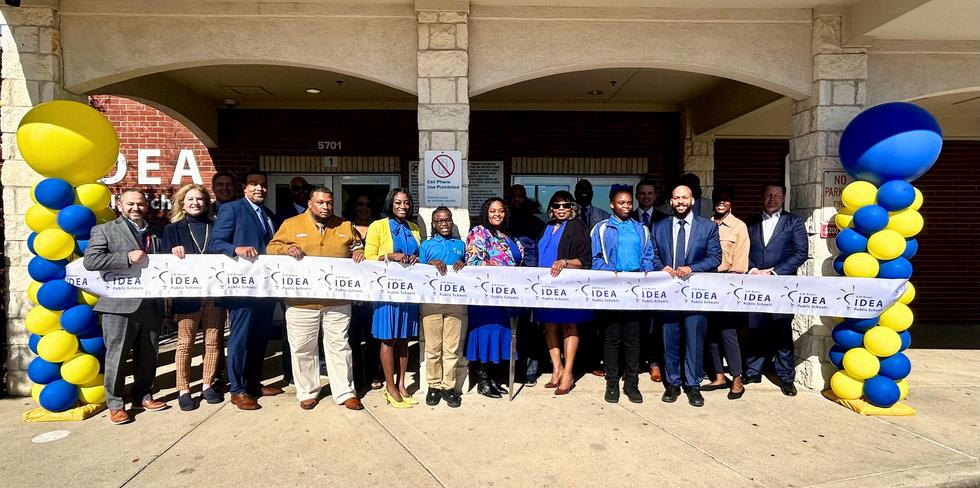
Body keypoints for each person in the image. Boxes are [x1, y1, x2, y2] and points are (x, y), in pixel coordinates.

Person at [267, 186, 366, 411]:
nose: (325, 207)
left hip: (337, 300)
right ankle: (307, 392)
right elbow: (272, 247)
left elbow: (357, 244)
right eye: (320, 202)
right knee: (303, 347)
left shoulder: (344, 225)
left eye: (329, 203)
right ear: (310, 204)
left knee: (340, 347)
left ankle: (345, 392)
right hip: (301, 301)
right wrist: (287, 249)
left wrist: (358, 251)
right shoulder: (291, 224)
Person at [83, 189, 167, 424]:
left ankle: (143, 395)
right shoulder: (105, 230)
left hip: (151, 303)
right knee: (117, 357)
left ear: (146, 206)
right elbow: (91, 261)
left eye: (140, 204)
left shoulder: (156, 232)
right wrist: (127, 258)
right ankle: (115, 404)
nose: (135, 208)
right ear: (119, 206)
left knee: (148, 354)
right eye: (130, 204)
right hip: (118, 305)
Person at [207, 169, 283, 411]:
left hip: (265, 289)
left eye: (263, 184)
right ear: (245, 187)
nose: (259, 188)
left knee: (260, 338)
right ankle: (237, 390)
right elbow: (215, 243)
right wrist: (236, 249)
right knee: (240, 340)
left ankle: (253, 384)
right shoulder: (232, 209)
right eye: (253, 184)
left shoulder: (268, 214)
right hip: (242, 288)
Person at [650, 184, 722, 408]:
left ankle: (693, 385)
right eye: (676, 198)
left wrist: (691, 268)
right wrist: (660, 267)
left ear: (692, 201)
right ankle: (673, 383)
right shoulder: (658, 226)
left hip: (695, 295)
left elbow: (715, 258)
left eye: (684, 197)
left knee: (694, 341)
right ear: (671, 201)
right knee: (669, 340)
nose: (680, 201)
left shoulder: (708, 227)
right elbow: (652, 255)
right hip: (668, 295)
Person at [162, 184, 225, 411]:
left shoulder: (216, 227)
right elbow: (163, 263)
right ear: (182, 203)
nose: (195, 203)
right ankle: (184, 389)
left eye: (199, 199)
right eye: (190, 199)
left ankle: (207, 384)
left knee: (213, 341)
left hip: (214, 294)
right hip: (187, 296)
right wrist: (171, 253)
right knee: (185, 343)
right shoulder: (172, 230)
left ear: (206, 203)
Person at [744, 182, 809, 397]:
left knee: (781, 331)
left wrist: (775, 272)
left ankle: (786, 377)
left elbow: (800, 253)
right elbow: (743, 251)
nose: (772, 199)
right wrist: (754, 270)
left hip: (782, 286)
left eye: (776, 195)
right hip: (755, 284)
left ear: (784, 197)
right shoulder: (750, 222)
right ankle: (753, 371)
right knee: (755, 328)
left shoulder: (794, 222)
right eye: (768, 195)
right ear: (762, 197)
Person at [590, 185, 653, 404]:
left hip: (634, 290)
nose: (626, 206)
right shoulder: (601, 228)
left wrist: (646, 269)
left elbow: (648, 255)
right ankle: (612, 382)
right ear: (612, 205)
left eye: (628, 202)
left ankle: (631, 383)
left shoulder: (641, 228)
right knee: (612, 337)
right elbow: (595, 258)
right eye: (621, 202)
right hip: (612, 289)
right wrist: (609, 271)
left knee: (633, 338)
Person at [363, 188, 422, 409]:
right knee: (388, 339)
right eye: (398, 202)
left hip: (408, 292)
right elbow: (368, 257)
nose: (403, 207)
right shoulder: (377, 226)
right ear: (390, 203)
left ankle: (402, 384)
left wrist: (416, 259)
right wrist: (390, 256)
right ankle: (389, 387)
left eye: (406, 203)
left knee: (404, 340)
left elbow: (419, 255)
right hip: (387, 292)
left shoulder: (414, 228)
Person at [465, 197, 524, 398]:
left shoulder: (508, 235)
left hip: (505, 298)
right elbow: (473, 261)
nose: (497, 214)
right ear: (486, 213)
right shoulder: (479, 232)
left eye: (500, 210)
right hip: (486, 298)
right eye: (492, 210)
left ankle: (492, 379)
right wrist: (501, 269)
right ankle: (482, 381)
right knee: (485, 336)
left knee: (499, 337)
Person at [534, 191, 592, 395]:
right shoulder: (547, 227)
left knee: (569, 326)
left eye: (565, 205)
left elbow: (585, 260)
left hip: (567, 286)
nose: (561, 209)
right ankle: (556, 369)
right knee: (549, 326)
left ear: (572, 207)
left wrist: (565, 262)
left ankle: (568, 373)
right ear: (551, 208)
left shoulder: (577, 226)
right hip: (545, 286)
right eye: (557, 205)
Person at [418, 207, 467, 408]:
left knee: (452, 348)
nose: (445, 223)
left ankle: (448, 386)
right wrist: (430, 263)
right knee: (433, 348)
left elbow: (468, 270)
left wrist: (462, 263)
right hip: (432, 302)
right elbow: (418, 272)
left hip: (455, 303)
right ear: (434, 224)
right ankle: (433, 385)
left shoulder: (460, 245)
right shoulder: (426, 245)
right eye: (440, 220)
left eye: (448, 220)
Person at [704, 185, 749, 400]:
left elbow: (740, 262)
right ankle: (719, 376)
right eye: (718, 199)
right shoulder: (707, 224)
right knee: (711, 333)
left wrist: (731, 283)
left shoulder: (739, 227)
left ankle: (737, 379)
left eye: (726, 199)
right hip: (707, 283)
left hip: (728, 284)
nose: (721, 202)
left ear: (731, 202)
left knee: (728, 333)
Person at [507, 184, 545, 386]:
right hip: (507, 283)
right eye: (513, 196)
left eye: (520, 196)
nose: (517, 200)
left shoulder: (536, 223)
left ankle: (530, 371)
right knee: (509, 327)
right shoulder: (503, 222)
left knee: (530, 329)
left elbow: (541, 252)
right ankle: (509, 368)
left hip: (531, 282)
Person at [344, 193, 384, 391]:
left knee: (373, 337)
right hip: (351, 293)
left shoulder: (378, 228)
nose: (363, 208)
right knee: (351, 338)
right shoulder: (345, 228)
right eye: (360, 204)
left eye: (367, 205)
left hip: (374, 292)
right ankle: (356, 376)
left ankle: (373, 373)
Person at [631, 178, 669, 383]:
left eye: (650, 193)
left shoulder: (665, 219)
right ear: (637, 196)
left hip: (657, 278)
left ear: (655, 196)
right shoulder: (628, 218)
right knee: (635, 323)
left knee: (655, 323)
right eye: (642, 193)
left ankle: (654, 363)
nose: (646, 197)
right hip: (633, 279)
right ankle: (635, 362)